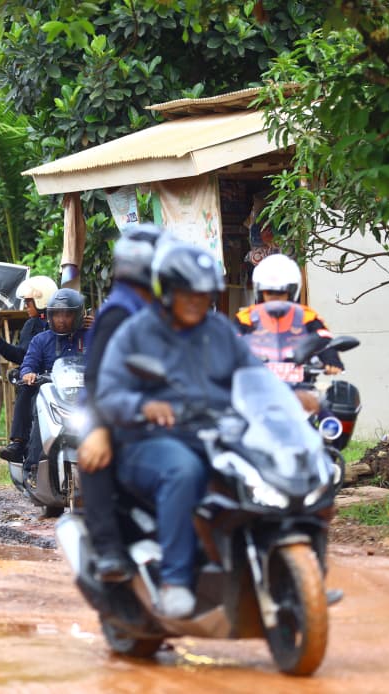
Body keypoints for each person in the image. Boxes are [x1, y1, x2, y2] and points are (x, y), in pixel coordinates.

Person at [96, 242, 260, 619]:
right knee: (183, 470)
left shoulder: (219, 330)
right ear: (166, 292)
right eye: (188, 294)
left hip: (216, 435)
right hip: (151, 440)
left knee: (269, 469)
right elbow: (108, 394)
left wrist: (291, 396)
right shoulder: (136, 332)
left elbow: (254, 374)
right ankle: (175, 580)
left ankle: (270, 562)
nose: (197, 302)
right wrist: (142, 406)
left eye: (204, 295)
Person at [75, 223, 164, 582]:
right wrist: (98, 427)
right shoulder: (121, 310)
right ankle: (108, 549)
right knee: (97, 459)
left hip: (153, 403)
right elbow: (96, 376)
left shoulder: (155, 306)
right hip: (111, 405)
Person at [0, 275, 56, 462]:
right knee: (25, 388)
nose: (25, 307)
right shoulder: (31, 325)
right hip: (38, 379)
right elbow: (22, 356)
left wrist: (89, 326)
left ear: (42, 301)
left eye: (29, 302)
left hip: (64, 380)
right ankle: (19, 442)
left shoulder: (68, 323)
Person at [235, 253, 343, 380]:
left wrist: (331, 359)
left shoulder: (307, 316)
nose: (274, 297)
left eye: (281, 292)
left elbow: (323, 338)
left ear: (291, 292)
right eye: (269, 292)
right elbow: (230, 342)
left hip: (301, 383)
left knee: (339, 391)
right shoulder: (246, 317)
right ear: (260, 292)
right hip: (256, 382)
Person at [15, 288, 87, 478]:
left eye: (67, 315)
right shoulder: (40, 339)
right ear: (49, 316)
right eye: (57, 315)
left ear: (78, 315)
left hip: (86, 397)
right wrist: (28, 374)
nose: (61, 320)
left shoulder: (92, 337)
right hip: (53, 395)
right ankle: (33, 468)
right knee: (40, 412)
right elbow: (28, 363)